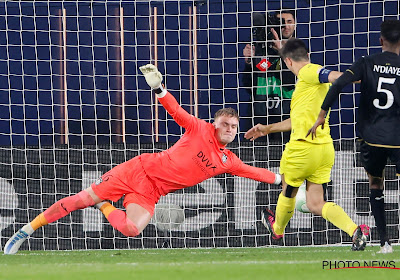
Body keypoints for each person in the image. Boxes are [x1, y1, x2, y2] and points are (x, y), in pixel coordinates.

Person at [3, 64, 281, 255]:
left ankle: (103, 205)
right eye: (225, 125)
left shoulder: (228, 160)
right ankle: (24, 232)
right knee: (77, 201)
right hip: (138, 169)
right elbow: (176, 111)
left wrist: (283, 180)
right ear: (215, 124)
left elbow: (254, 172)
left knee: (131, 229)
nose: (230, 130)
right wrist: (159, 88)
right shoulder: (200, 128)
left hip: (152, 191)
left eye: (234, 127)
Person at [245, 38, 370, 251]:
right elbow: (297, 121)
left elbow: (334, 77)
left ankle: (277, 230)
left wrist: (362, 77)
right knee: (315, 204)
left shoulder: (309, 72)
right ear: (308, 55)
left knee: (288, 189)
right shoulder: (306, 86)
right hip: (323, 149)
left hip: (303, 148)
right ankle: (355, 230)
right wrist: (267, 128)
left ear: (287, 61)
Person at [308, 19, 400, 254]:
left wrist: (321, 114)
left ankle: (385, 243)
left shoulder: (366, 63)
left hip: (371, 138)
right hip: (398, 137)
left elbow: (338, 84)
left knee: (376, 183)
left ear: (381, 40)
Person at [242, 10, 296, 142]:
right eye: (281, 22)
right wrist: (249, 62)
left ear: (295, 25)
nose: (285, 26)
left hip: (285, 118)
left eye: (289, 22)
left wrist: (282, 52)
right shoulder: (259, 50)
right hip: (259, 116)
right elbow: (249, 86)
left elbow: (291, 83)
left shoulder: (298, 50)